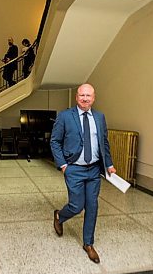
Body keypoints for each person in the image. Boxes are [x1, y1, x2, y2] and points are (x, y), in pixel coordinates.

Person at [50, 83, 116, 263]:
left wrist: (108, 165)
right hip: (74, 169)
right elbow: (54, 141)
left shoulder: (100, 117)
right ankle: (59, 216)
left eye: (88, 95)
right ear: (76, 97)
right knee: (76, 205)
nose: (85, 99)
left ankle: (88, 243)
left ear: (94, 98)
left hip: (94, 169)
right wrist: (63, 165)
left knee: (92, 206)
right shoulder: (65, 116)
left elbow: (104, 143)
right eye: (82, 95)